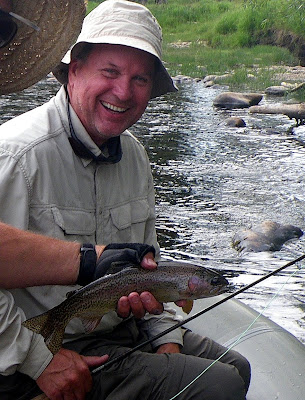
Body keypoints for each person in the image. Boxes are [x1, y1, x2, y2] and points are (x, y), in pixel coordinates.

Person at [0, 1, 251, 399]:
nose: (123, 92)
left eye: (140, 79)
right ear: (74, 69)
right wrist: (39, 360)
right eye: (110, 72)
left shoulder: (134, 156)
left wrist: (165, 340)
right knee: (218, 385)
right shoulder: (15, 156)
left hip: (119, 330)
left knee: (238, 367)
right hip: (33, 351)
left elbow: (152, 267)